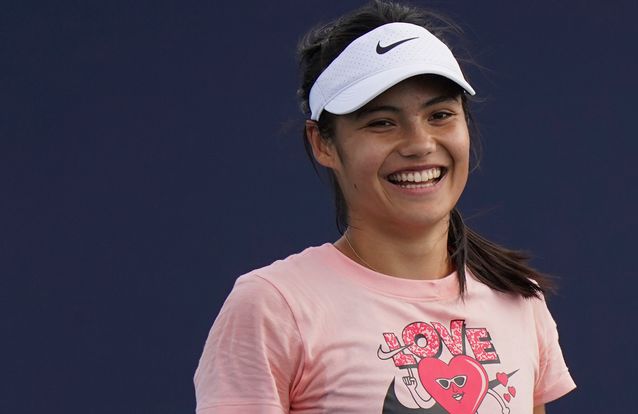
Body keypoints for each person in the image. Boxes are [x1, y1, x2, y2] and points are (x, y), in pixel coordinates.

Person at [194, 1, 576, 413]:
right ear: (322, 143)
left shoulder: (518, 299)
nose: (419, 144)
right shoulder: (273, 306)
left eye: (440, 114)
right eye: (381, 122)